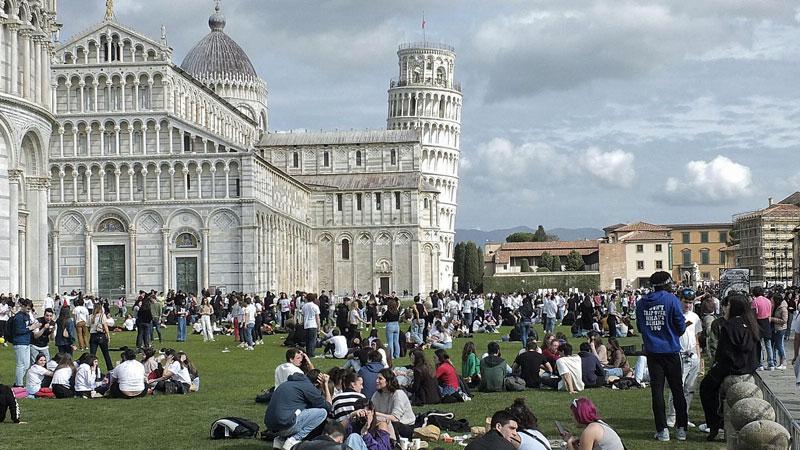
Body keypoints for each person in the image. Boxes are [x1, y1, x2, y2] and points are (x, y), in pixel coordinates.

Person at [700, 293, 760, 441]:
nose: (724, 310)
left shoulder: (730, 326)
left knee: (706, 388)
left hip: (732, 367)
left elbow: (724, 353)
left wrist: (716, 367)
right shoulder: (751, 323)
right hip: (748, 367)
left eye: (726, 306)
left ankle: (715, 426)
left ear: (733, 308)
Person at [635, 271, 687, 442]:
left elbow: (641, 327)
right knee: (677, 390)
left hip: (653, 351)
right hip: (671, 350)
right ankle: (681, 429)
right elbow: (680, 326)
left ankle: (662, 430)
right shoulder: (671, 300)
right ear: (667, 283)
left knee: (657, 392)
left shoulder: (642, 303)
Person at [265, 371, 331, 450]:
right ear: (317, 384)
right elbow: (328, 407)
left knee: (296, 411)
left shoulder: (287, 383)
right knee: (322, 413)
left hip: (270, 427)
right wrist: (326, 385)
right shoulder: (308, 387)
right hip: (285, 426)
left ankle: (280, 440)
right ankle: (294, 440)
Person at [666, 288, 702, 429]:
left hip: (692, 354)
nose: (688, 305)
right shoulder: (673, 315)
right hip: (678, 354)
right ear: (680, 300)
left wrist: (699, 357)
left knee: (689, 388)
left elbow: (696, 338)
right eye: (686, 302)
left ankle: (684, 416)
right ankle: (672, 416)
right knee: (677, 388)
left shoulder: (695, 317)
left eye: (691, 302)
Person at [560, 397, 624, 450]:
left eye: (572, 415)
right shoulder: (599, 424)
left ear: (579, 415)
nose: (572, 419)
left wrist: (569, 443)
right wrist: (573, 443)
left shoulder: (589, 432)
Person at [371, 369, 415, 440]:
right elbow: (371, 409)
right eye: (377, 378)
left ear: (388, 381)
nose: (376, 381)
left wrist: (375, 414)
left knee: (390, 423)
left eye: (380, 379)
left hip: (403, 426)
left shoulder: (398, 394)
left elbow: (395, 418)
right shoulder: (377, 395)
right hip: (384, 422)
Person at [12, 299, 41, 387]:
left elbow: (28, 327)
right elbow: (18, 331)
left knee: (27, 364)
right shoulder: (18, 317)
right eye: (28, 308)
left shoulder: (27, 315)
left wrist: (33, 326)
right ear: (23, 306)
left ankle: (18, 381)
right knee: (20, 364)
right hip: (19, 342)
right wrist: (31, 328)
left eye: (30, 309)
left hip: (26, 342)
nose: (29, 310)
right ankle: (19, 384)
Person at [751, 287, 775, 370]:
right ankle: (771, 364)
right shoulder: (768, 301)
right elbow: (769, 313)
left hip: (758, 323)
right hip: (767, 322)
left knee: (759, 345)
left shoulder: (755, 301)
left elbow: (754, 314)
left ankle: (760, 364)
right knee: (768, 344)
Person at [88, 304, 113, 371]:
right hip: (101, 335)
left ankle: (92, 369)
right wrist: (108, 335)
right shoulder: (102, 316)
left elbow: (88, 326)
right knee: (106, 354)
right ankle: (110, 368)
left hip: (93, 336)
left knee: (92, 355)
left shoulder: (90, 316)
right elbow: (105, 326)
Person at [770, 293, 788, 370]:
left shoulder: (783, 309)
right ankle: (773, 362)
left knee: (779, 346)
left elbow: (784, 320)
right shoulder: (775, 307)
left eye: (773, 299)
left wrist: (772, 319)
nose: (771, 300)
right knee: (773, 346)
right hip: (774, 328)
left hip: (780, 329)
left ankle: (783, 362)